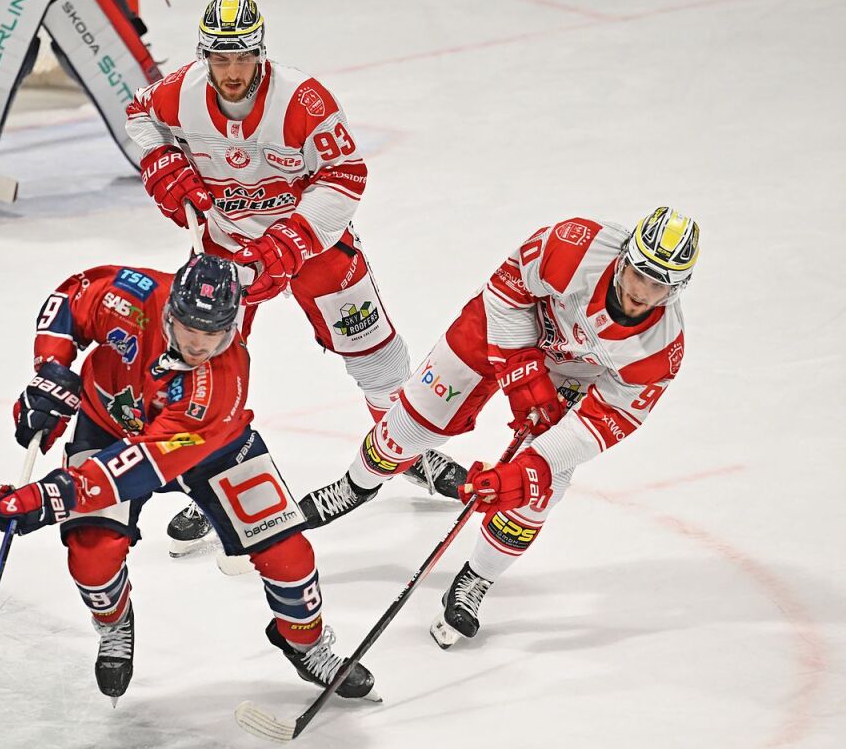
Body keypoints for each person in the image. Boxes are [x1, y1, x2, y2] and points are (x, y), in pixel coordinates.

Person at [124, 0, 465, 555]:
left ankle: (406, 451)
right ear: (204, 57)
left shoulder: (302, 100)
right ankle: (212, 479)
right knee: (208, 365)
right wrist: (162, 162)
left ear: (261, 54)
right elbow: (141, 114)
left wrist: (290, 242)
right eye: (220, 59)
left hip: (310, 245)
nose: (232, 73)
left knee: (377, 355)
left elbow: (346, 175)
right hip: (225, 250)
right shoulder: (179, 92)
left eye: (243, 58)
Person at [295, 207, 700, 648]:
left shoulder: (661, 352)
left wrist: (533, 468)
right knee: (415, 419)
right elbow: (506, 292)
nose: (644, 291)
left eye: (662, 284)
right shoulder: (574, 245)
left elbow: (604, 423)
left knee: (541, 489)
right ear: (625, 257)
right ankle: (358, 484)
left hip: (573, 378)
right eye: (641, 273)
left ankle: (475, 580)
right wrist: (521, 371)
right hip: (501, 330)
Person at [0, 254, 377, 702]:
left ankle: (304, 643)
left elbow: (140, 465)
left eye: (214, 334)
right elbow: (69, 299)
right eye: (192, 329)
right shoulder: (131, 295)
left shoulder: (221, 383)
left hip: (209, 447)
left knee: (289, 555)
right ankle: (114, 625)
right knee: (91, 559)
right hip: (108, 423)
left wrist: (54, 495)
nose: (199, 345)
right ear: (171, 309)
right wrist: (50, 373)